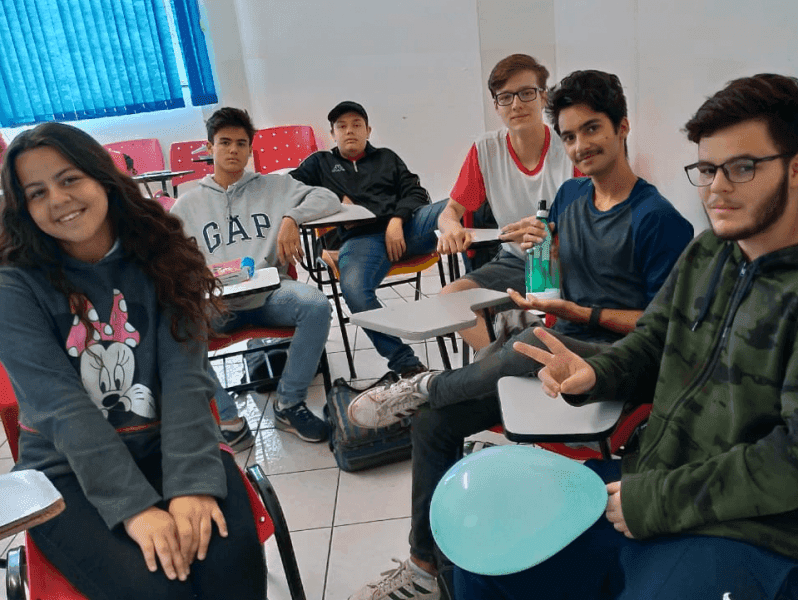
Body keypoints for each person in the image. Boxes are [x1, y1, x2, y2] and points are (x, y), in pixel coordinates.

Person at [346, 70, 693, 600]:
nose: (580, 146)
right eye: (570, 136)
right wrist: (543, 255)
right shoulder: (571, 194)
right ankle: (424, 568)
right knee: (435, 423)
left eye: (592, 129)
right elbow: (560, 273)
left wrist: (578, 310)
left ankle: (426, 385)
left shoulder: (658, 219)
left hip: (619, 365)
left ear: (623, 127)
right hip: (557, 347)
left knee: (524, 346)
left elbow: (658, 327)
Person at [455, 73, 798, 599]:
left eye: (742, 167)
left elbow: (790, 460)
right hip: (651, 473)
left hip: (750, 530)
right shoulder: (709, 253)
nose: (717, 189)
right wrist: (596, 373)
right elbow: (654, 340)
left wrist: (654, 500)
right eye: (708, 170)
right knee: (488, 556)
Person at [0, 122, 265, 599]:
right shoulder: (13, 285)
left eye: (69, 179)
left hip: (171, 446)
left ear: (102, 177)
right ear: (23, 207)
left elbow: (186, 379)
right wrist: (135, 508)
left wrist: (191, 485)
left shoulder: (163, 253)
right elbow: (62, 408)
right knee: (159, 590)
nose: (57, 200)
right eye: (36, 193)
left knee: (231, 565)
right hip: (66, 473)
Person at [172, 107, 340, 444]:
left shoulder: (276, 186)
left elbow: (328, 197)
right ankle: (228, 420)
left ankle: (289, 404)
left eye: (241, 143)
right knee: (174, 327)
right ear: (210, 148)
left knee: (316, 305)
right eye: (224, 142)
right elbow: (167, 257)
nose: (233, 150)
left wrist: (292, 217)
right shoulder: (186, 205)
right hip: (218, 304)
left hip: (271, 295)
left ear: (250, 149)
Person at [291, 101, 445, 378]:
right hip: (362, 241)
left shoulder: (387, 158)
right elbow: (290, 188)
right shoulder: (320, 163)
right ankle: (406, 364)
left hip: (407, 229)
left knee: (457, 206)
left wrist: (397, 219)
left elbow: (416, 192)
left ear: (368, 130)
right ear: (332, 134)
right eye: (341, 126)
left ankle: (494, 312)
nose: (349, 131)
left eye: (356, 125)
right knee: (354, 291)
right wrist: (332, 199)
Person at [436, 54, 580, 350]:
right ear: (496, 106)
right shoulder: (486, 150)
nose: (516, 104)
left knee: (556, 312)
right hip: (515, 261)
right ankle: (505, 365)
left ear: (543, 97)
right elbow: (451, 210)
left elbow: (593, 223)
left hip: (566, 261)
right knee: (451, 299)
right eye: (505, 97)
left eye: (526, 93)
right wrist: (451, 227)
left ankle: (511, 364)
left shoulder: (569, 146)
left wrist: (548, 235)